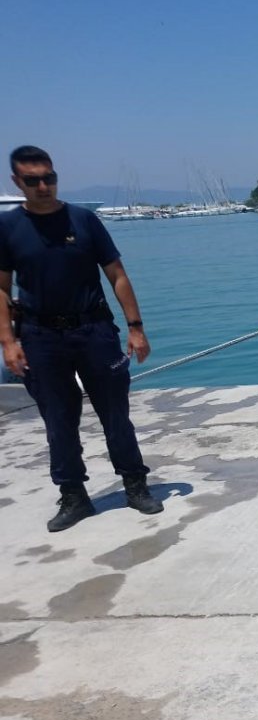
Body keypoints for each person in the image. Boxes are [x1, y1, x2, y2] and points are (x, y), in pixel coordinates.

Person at [0, 146, 163, 532]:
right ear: (16, 182)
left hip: (94, 331)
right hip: (40, 336)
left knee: (116, 414)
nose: (43, 186)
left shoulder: (84, 220)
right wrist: (8, 341)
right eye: (33, 180)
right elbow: (2, 289)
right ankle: (74, 496)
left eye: (49, 178)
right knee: (58, 420)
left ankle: (135, 485)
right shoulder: (7, 228)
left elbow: (117, 274)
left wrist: (136, 328)